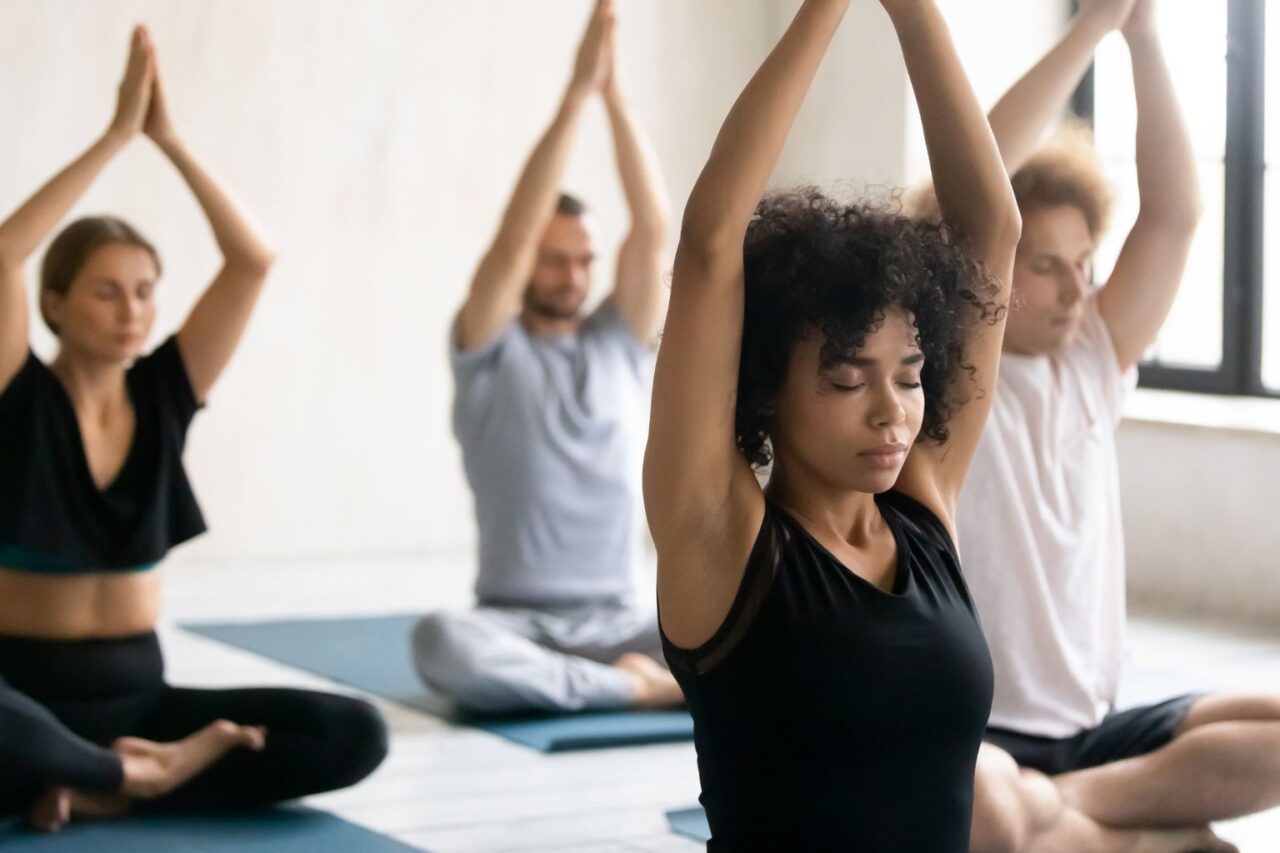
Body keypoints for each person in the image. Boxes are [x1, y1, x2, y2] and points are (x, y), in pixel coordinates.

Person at [646, 0, 1023, 847]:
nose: (892, 409)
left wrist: (916, 16)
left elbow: (991, 230)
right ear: (768, 390)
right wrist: (825, 9)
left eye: (911, 375)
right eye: (849, 379)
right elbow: (710, 249)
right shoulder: (721, 538)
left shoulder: (924, 511)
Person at [0, 27, 386, 832]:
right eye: (108, 291)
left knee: (354, 734)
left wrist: (168, 140)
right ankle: (120, 774)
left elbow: (253, 258)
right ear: (55, 303)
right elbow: (4, 252)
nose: (133, 309)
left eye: (145, 290)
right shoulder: (19, 395)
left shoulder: (168, 391)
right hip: (20, 699)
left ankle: (98, 780)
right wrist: (113, 140)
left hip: (142, 698)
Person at [955, 1, 1273, 850]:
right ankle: (1121, 824)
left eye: (1084, 265)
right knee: (989, 812)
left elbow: (1174, 214)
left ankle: (1079, 810)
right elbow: (973, 173)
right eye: (1046, 265)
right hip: (987, 741)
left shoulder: (1091, 357)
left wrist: (1144, 33)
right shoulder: (949, 367)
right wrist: (1089, 29)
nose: (1073, 289)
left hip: (1090, 730)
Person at [411, 0, 679, 715]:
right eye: (553, 260)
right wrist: (572, 98)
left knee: (754, 625)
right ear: (528, 264)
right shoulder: (487, 350)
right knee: (440, 641)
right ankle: (636, 690)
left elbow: (653, 229)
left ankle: (613, 683)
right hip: (512, 619)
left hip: (621, 616)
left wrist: (614, 99)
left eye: (584, 260)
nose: (572, 276)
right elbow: (511, 234)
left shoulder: (619, 344)